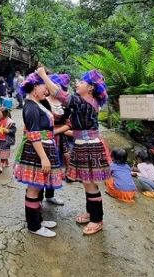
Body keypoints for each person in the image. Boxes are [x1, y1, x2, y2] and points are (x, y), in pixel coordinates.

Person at [38, 67, 110, 236]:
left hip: (88, 145)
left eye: (82, 82)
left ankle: (97, 219)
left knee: (90, 184)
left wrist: (43, 76)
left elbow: (60, 94)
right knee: (87, 183)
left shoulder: (84, 101)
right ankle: (92, 214)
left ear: (90, 87)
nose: (77, 83)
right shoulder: (88, 101)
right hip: (84, 143)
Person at [13, 72, 61, 238]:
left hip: (42, 149)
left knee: (36, 187)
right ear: (34, 88)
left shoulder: (37, 104)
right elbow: (33, 134)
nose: (46, 91)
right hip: (37, 152)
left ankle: (38, 220)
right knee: (33, 189)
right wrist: (44, 157)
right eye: (43, 87)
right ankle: (34, 225)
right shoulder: (31, 107)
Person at [40, 73, 72, 206]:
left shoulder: (66, 105)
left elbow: (69, 124)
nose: (54, 89)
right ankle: (37, 198)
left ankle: (50, 195)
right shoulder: (41, 101)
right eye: (52, 85)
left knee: (55, 167)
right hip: (42, 138)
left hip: (59, 141)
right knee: (42, 166)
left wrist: (55, 132)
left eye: (57, 86)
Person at [0, 107, 16, 173]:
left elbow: (14, 130)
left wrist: (7, 130)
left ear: (4, 114)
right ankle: (6, 162)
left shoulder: (10, 122)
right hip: (0, 139)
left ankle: (1, 165)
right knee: (2, 152)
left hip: (6, 140)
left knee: (3, 152)